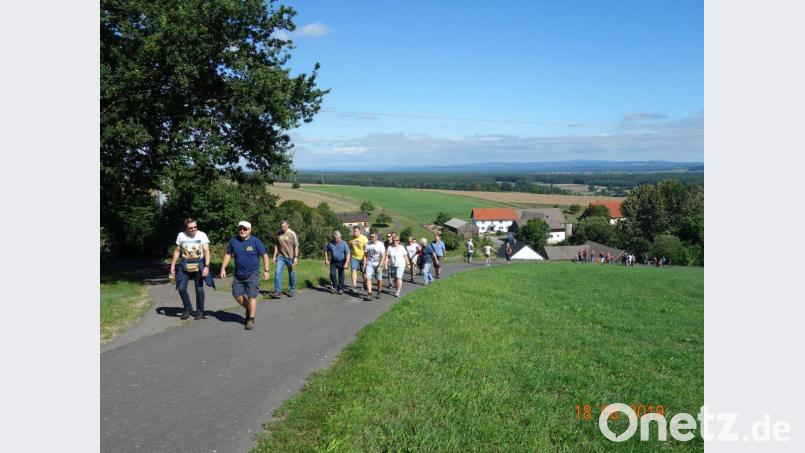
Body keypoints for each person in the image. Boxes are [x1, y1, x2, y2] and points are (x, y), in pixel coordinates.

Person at [220, 221, 270, 330]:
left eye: (244, 228)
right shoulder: (233, 241)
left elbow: (265, 255)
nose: (242, 230)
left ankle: (250, 319)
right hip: (238, 273)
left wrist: (266, 270)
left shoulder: (256, 241)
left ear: (250, 230)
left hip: (253, 273)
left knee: (252, 297)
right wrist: (223, 268)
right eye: (240, 228)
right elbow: (228, 255)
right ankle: (249, 308)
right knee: (237, 295)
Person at [169, 218, 211, 320]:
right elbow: (177, 251)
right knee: (181, 287)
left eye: (195, 227)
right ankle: (188, 308)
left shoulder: (202, 235)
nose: (193, 229)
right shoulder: (181, 235)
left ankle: (199, 312)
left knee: (199, 289)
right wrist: (173, 265)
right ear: (186, 228)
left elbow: (206, 251)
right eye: (191, 228)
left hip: (199, 264)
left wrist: (207, 266)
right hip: (185, 264)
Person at [272, 220, 299, 298]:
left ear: (288, 225)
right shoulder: (278, 234)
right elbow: (276, 246)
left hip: (290, 257)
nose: (282, 228)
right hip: (280, 257)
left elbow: (296, 246)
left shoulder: (292, 233)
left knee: (291, 274)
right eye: (281, 226)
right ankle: (277, 292)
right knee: (277, 273)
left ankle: (291, 290)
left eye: (284, 226)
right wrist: (274, 256)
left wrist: (295, 257)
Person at [324, 231, 351, 295]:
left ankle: (341, 288)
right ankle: (335, 287)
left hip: (342, 260)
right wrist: (326, 259)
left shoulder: (344, 243)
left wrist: (346, 263)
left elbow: (348, 253)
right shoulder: (330, 243)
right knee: (332, 274)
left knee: (341, 274)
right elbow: (325, 250)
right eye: (334, 238)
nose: (336, 240)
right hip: (333, 261)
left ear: (340, 237)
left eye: (337, 238)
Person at [362, 232, 386, 300]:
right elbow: (365, 256)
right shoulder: (368, 244)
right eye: (370, 236)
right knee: (368, 277)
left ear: (376, 237)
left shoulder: (380, 244)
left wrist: (380, 265)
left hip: (378, 263)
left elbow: (383, 255)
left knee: (379, 279)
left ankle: (379, 291)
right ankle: (369, 293)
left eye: (372, 237)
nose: (371, 238)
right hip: (370, 263)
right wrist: (364, 265)